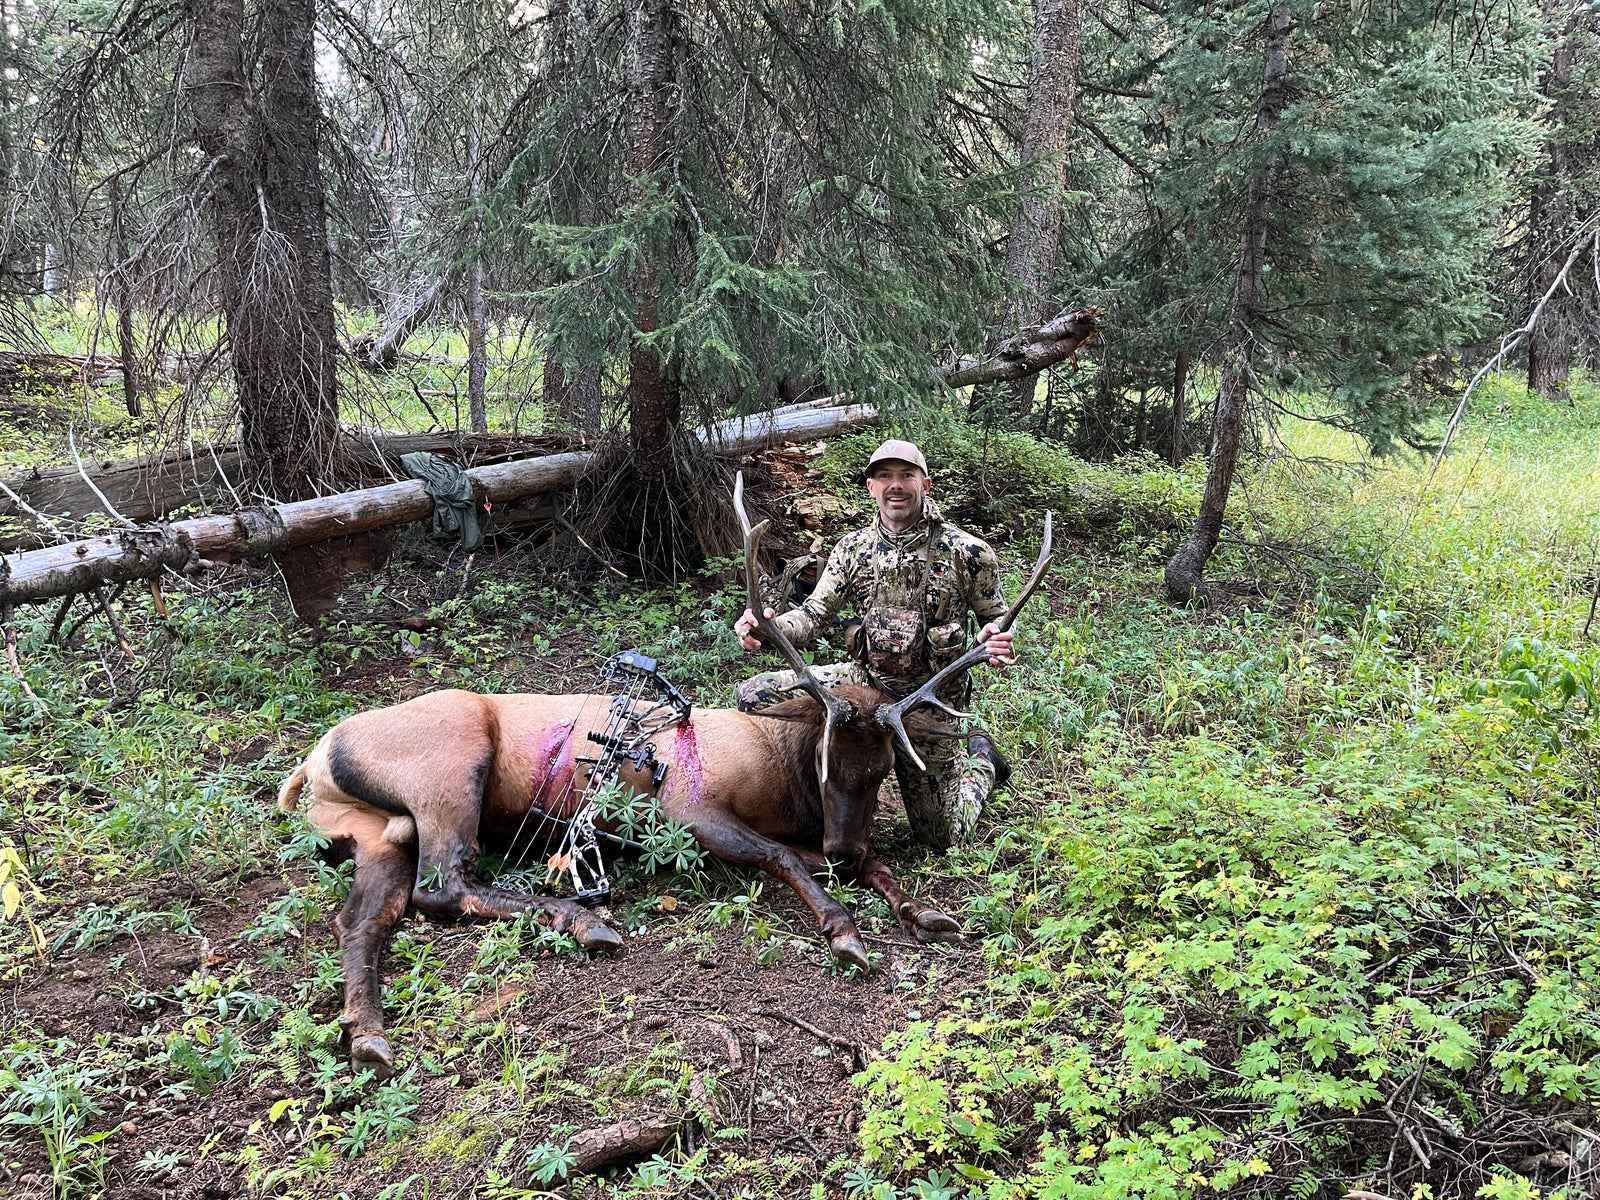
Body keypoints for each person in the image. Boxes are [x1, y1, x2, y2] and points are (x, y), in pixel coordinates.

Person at [733, 439, 1014, 849]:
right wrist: (766, 626)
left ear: (925, 483)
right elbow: (813, 617)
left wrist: (996, 638)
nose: (895, 485)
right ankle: (827, 791)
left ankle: (983, 762)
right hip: (865, 688)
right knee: (753, 694)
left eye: (906, 476)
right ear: (871, 487)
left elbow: (997, 619)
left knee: (941, 840)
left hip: (925, 703)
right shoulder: (852, 549)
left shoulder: (969, 553)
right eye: (885, 476)